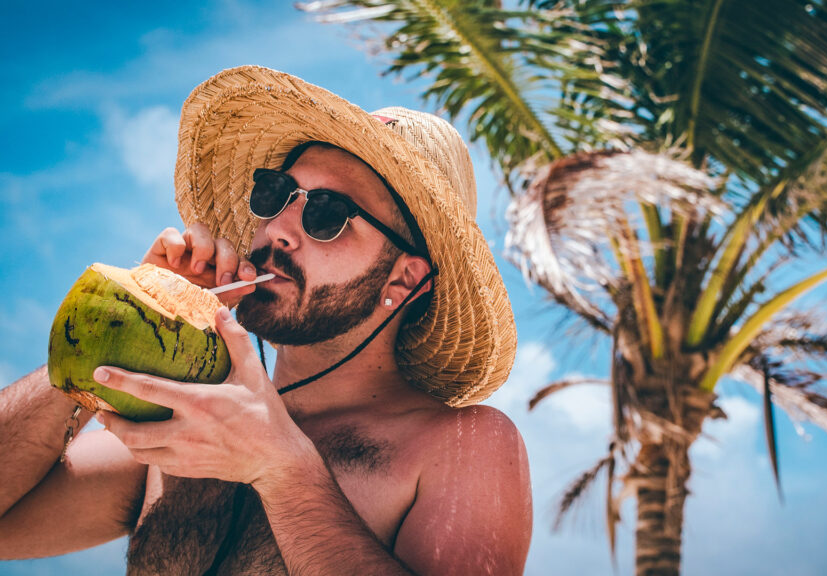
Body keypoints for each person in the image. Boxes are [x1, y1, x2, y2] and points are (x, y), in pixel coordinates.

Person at [0, 66, 530, 575]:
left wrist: (283, 471)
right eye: (275, 195)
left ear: (403, 280)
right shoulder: (184, 427)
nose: (278, 228)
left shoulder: (460, 443)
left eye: (327, 213)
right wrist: (118, 329)